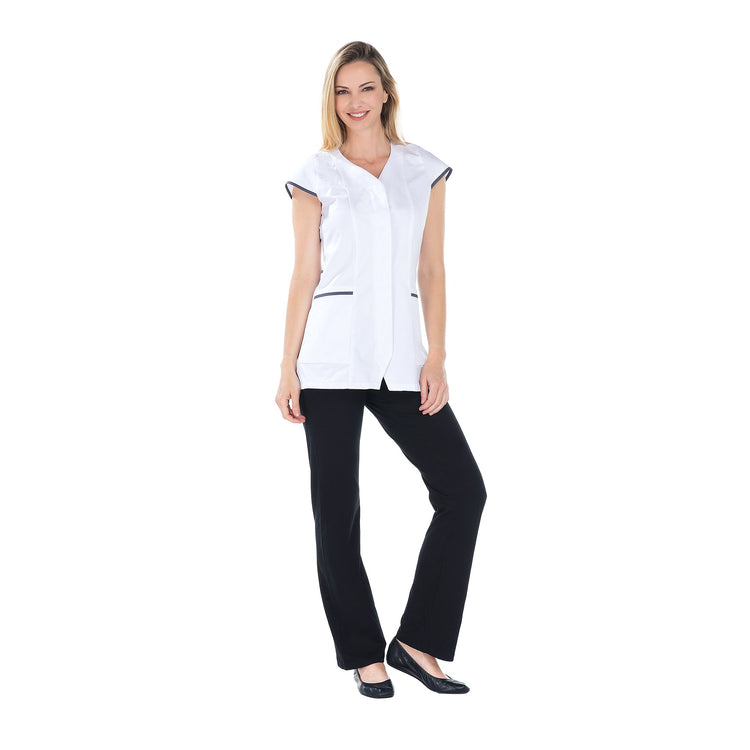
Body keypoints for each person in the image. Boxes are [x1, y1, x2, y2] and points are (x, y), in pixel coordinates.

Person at [275, 41, 487, 698]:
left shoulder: (422, 170)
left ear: (386, 92)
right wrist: (287, 368)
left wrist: (437, 355)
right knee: (336, 510)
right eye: (343, 91)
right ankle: (364, 653)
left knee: (464, 491)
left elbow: (433, 268)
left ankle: (418, 642)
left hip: (402, 361)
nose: (355, 102)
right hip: (330, 360)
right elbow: (304, 274)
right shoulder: (316, 174)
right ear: (332, 100)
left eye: (366, 88)